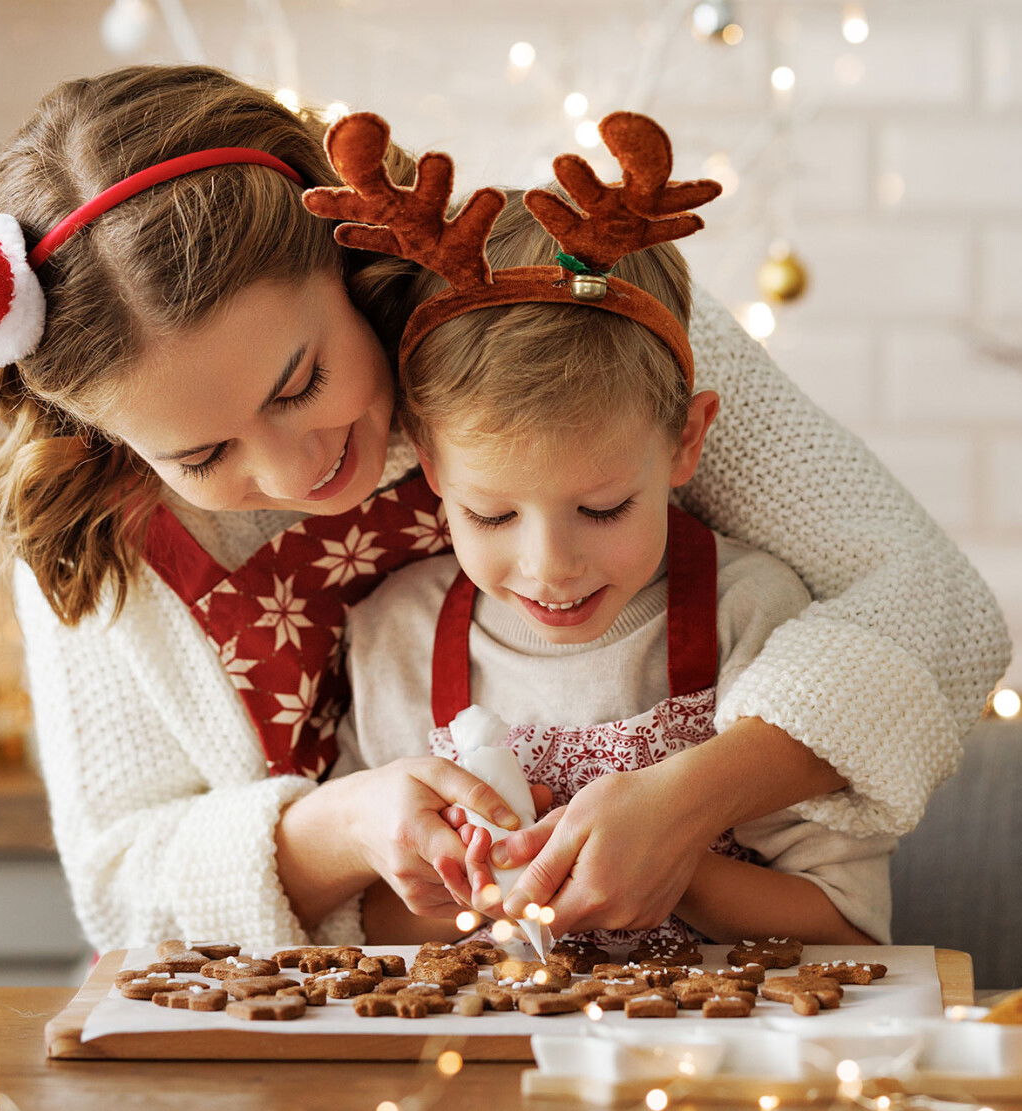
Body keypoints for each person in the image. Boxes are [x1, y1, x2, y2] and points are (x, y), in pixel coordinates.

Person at [0, 66, 1008, 953]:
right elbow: (121, 887)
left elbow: (934, 605)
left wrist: (689, 803)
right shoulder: (100, 531)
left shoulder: (563, 306)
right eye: (203, 452)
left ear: (350, 255)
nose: (295, 463)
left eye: (300, 382)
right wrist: (342, 829)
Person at [326, 111, 890, 949]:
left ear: (686, 440)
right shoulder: (393, 641)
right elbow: (353, 923)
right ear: (433, 471)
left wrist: (674, 861)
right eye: (491, 514)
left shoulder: (752, 617)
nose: (550, 566)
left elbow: (847, 925)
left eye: (602, 509)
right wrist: (466, 881)